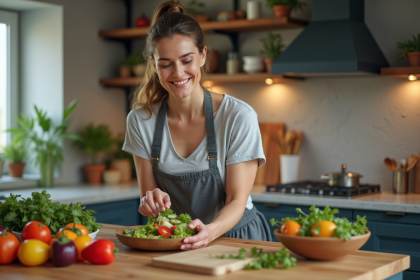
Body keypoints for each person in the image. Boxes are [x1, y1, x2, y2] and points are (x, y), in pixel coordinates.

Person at [123, 0, 271, 250]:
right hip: (178, 240)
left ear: (203, 56)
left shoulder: (237, 116)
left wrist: (209, 232)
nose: (178, 73)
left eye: (186, 60)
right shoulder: (140, 121)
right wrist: (151, 202)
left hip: (237, 238)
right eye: (166, 64)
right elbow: (149, 198)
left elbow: (236, 199)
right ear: (153, 66)